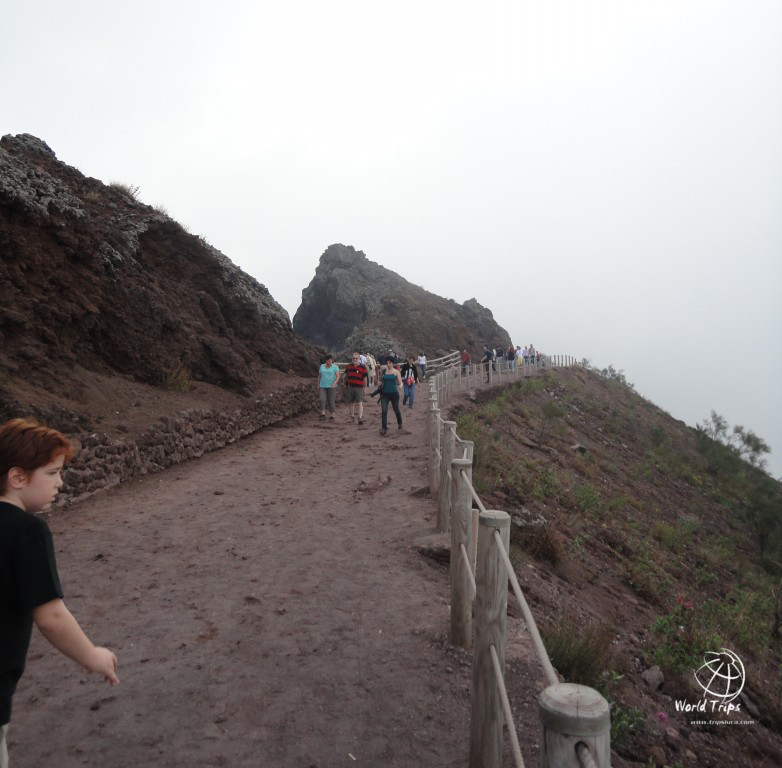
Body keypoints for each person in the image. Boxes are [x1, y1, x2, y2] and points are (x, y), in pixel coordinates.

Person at [1, 419, 119, 766]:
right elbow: (50, 616)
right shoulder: (28, 532)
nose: (61, 482)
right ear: (18, 477)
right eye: (52, 473)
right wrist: (91, 656)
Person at [371, 362, 403, 436]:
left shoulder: (396, 372)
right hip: (384, 394)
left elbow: (400, 382)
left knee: (396, 410)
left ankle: (399, 423)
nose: (388, 364)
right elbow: (380, 381)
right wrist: (379, 383)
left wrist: (400, 386)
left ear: (392, 363)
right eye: (387, 363)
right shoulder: (384, 372)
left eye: (390, 363)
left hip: (394, 394)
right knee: (384, 411)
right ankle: (384, 428)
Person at [344, 353, 368, 425]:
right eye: (354, 358)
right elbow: (346, 376)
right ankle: (352, 417)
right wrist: (345, 384)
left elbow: (365, 378)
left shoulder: (363, 367)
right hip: (350, 387)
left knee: (360, 402)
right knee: (351, 402)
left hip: (359, 387)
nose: (355, 359)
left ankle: (360, 418)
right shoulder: (348, 367)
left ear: (359, 359)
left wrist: (365, 387)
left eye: (356, 358)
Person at [317, 354, 341, 421]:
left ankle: (332, 415)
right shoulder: (322, 366)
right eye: (328, 360)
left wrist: (335, 382)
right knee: (322, 399)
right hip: (323, 386)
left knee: (331, 401)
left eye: (330, 360)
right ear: (326, 360)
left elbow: (338, 376)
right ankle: (323, 414)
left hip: (332, 387)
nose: (329, 361)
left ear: (332, 360)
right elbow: (319, 376)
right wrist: (318, 384)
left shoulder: (335, 367)